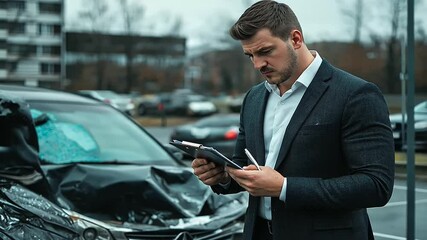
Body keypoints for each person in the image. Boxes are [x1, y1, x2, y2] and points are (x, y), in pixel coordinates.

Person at [191, 1, 395, 239]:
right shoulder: (254, 98)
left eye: (265, 51)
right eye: (250, 55)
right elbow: (244, 165)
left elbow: (376, 186)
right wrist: (223, 176)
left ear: (296, 39)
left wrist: (284, 187)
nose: (258, 64)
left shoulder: (355, 94)